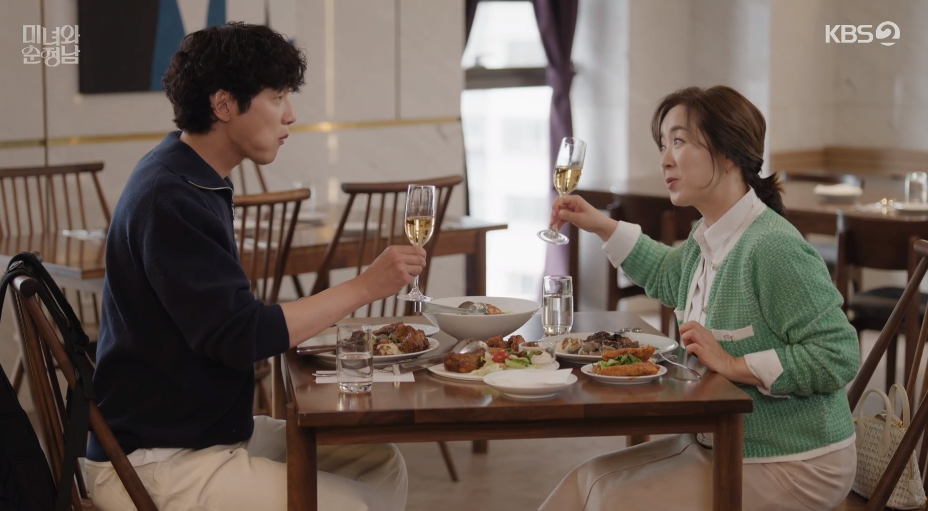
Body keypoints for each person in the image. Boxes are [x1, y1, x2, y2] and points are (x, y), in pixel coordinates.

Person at [84, 23, 418, 511]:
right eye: (277, 97)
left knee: (380, 462)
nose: (291, 114)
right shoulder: (170, 197)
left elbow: (231, 321)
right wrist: (366, 286)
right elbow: (240, 336)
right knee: (356, 505)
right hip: (157, 459)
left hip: (209, 434)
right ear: (224, 104)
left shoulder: (191, 177)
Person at [542, 85, 859, 511]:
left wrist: (734, 365)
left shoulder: (772, 247)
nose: (665, 159)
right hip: (722, 441)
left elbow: (837, 355)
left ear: (728, 153)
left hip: (796, 459)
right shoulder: (707, 234)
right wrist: (600, 224)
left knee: (611, 501)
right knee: (581, 482)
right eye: (663, 145)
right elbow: (667, 272)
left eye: (679, 141)